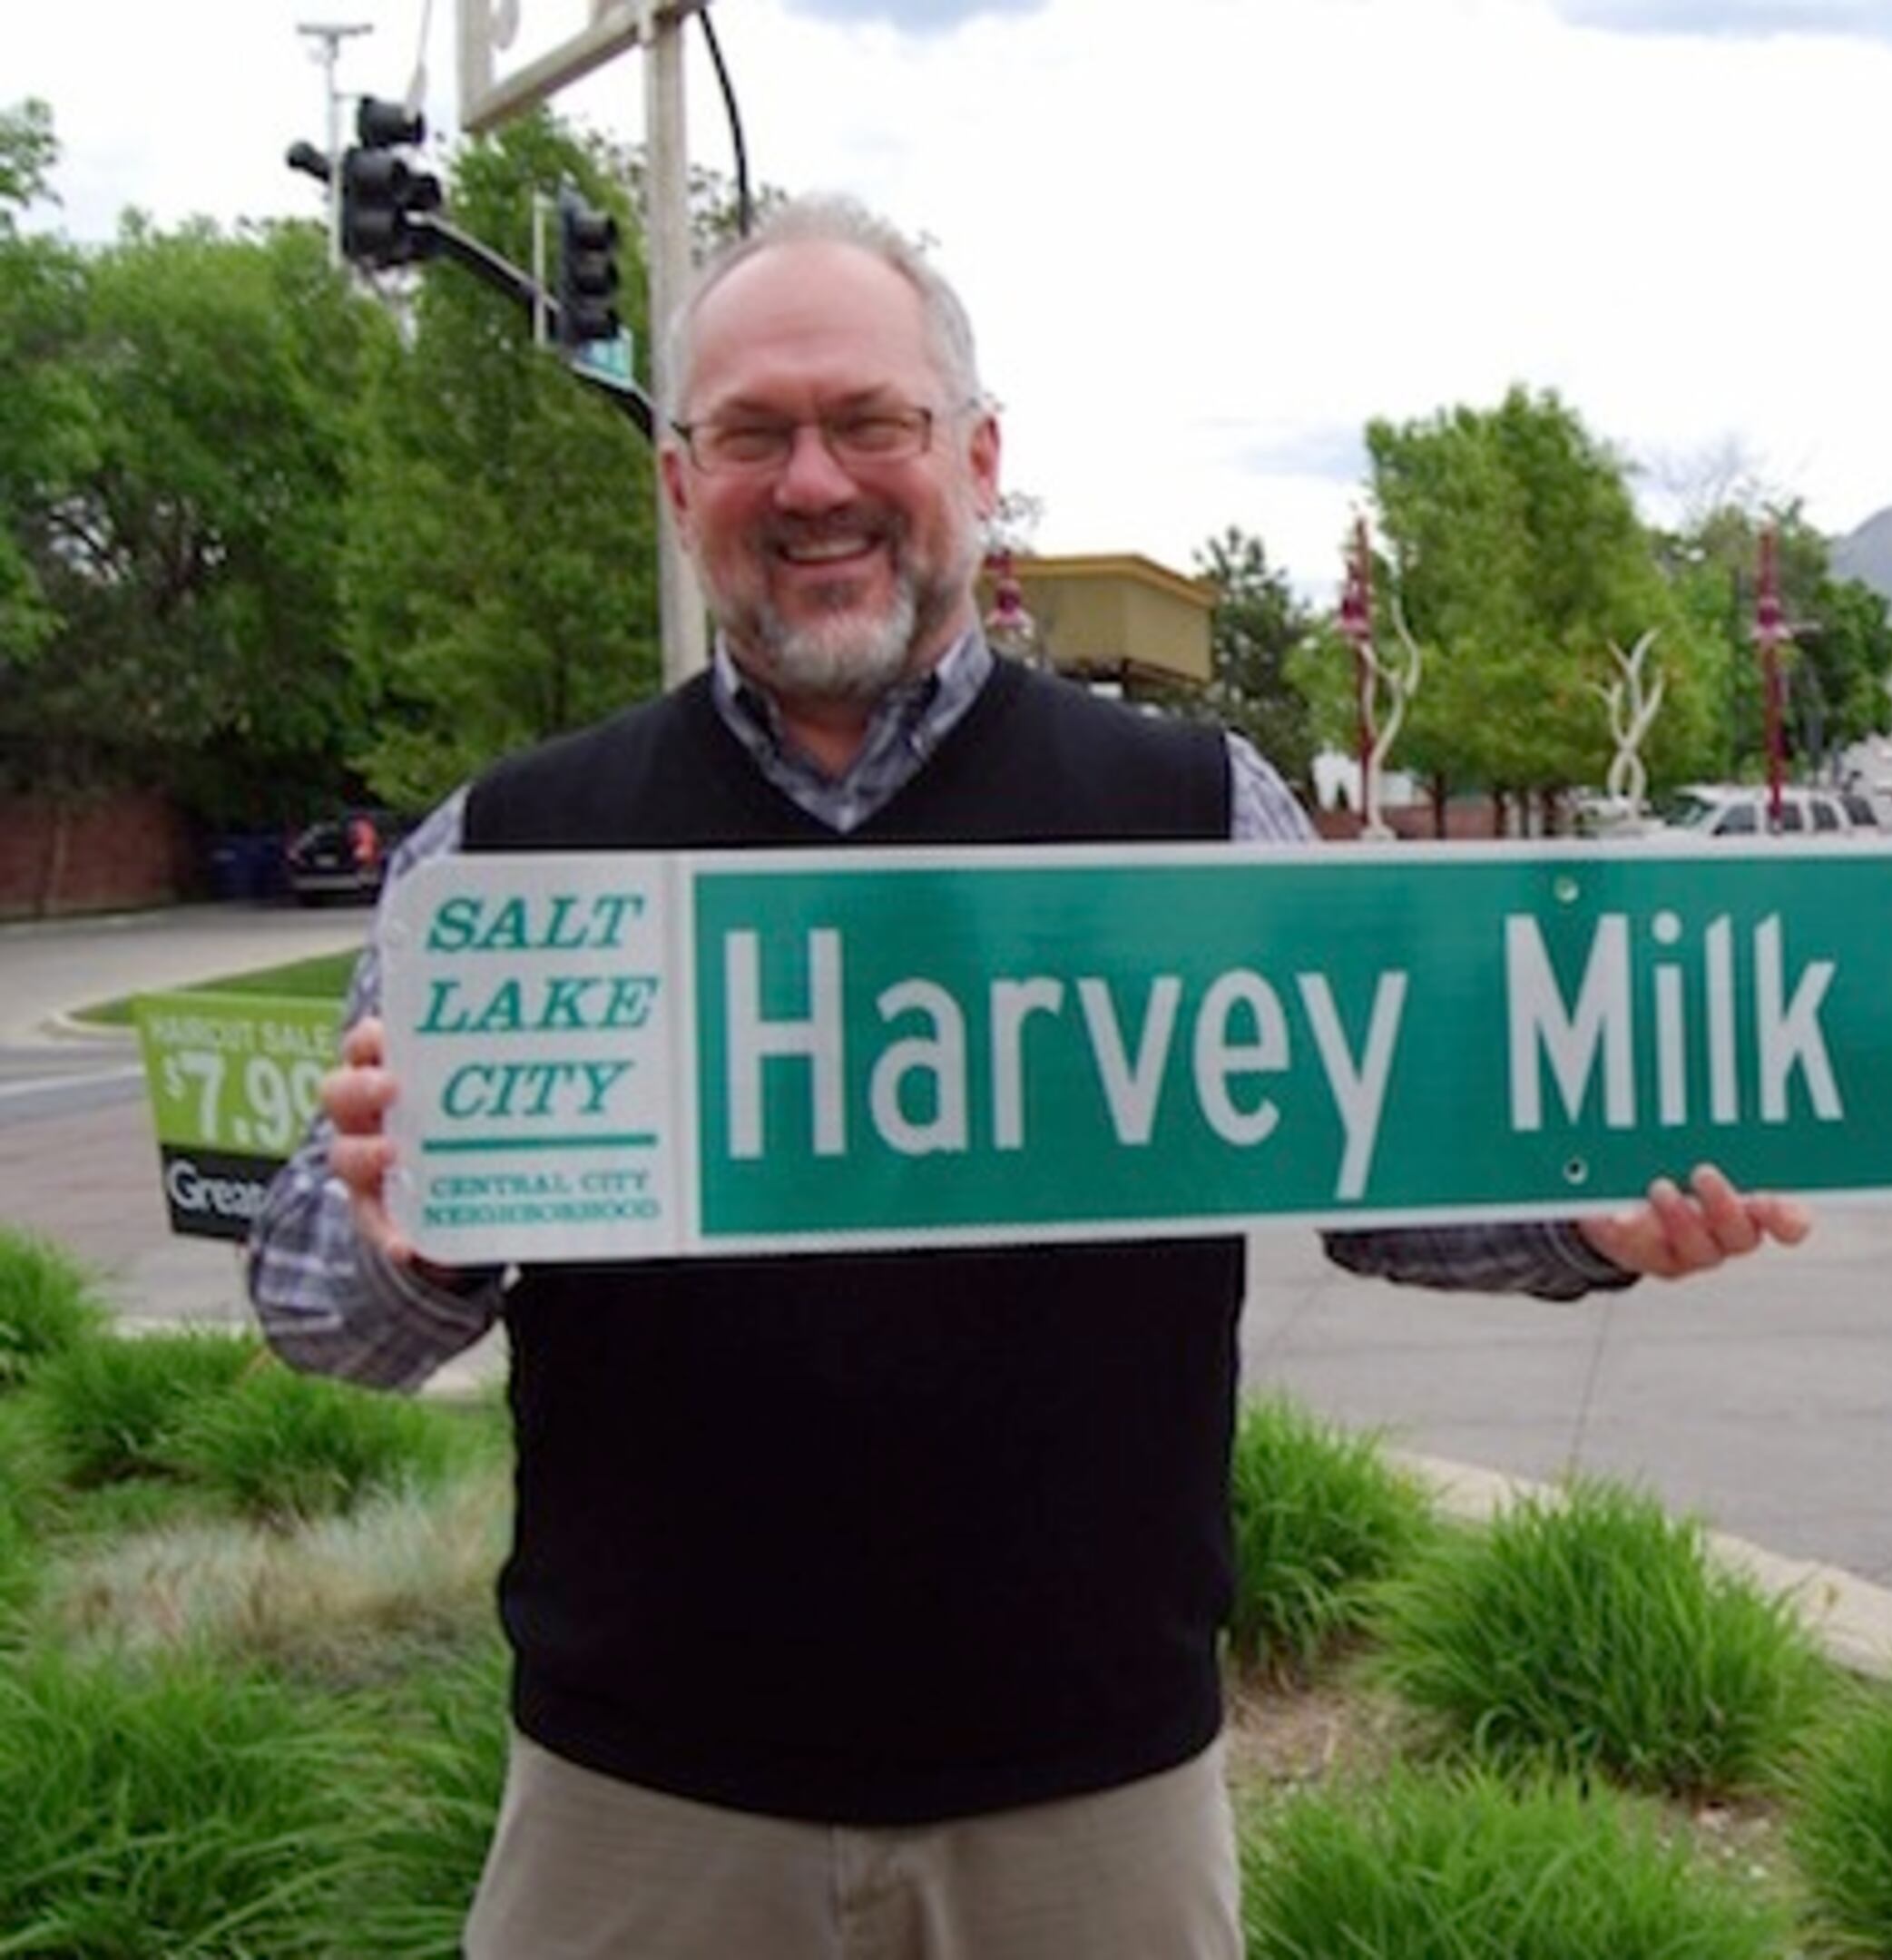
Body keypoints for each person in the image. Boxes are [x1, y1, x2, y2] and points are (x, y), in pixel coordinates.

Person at [244, 191, 1808, 1960]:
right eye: (752, 433)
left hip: (1090, 1815)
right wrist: (413, 1236)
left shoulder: (1194, 818)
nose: (814, 481)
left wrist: (1584, 1216)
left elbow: (1385, 1176)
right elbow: (317, 1312)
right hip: (640, 1816)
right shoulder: (509, 859)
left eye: (871, 423)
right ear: (681, 488)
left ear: (976, 458)